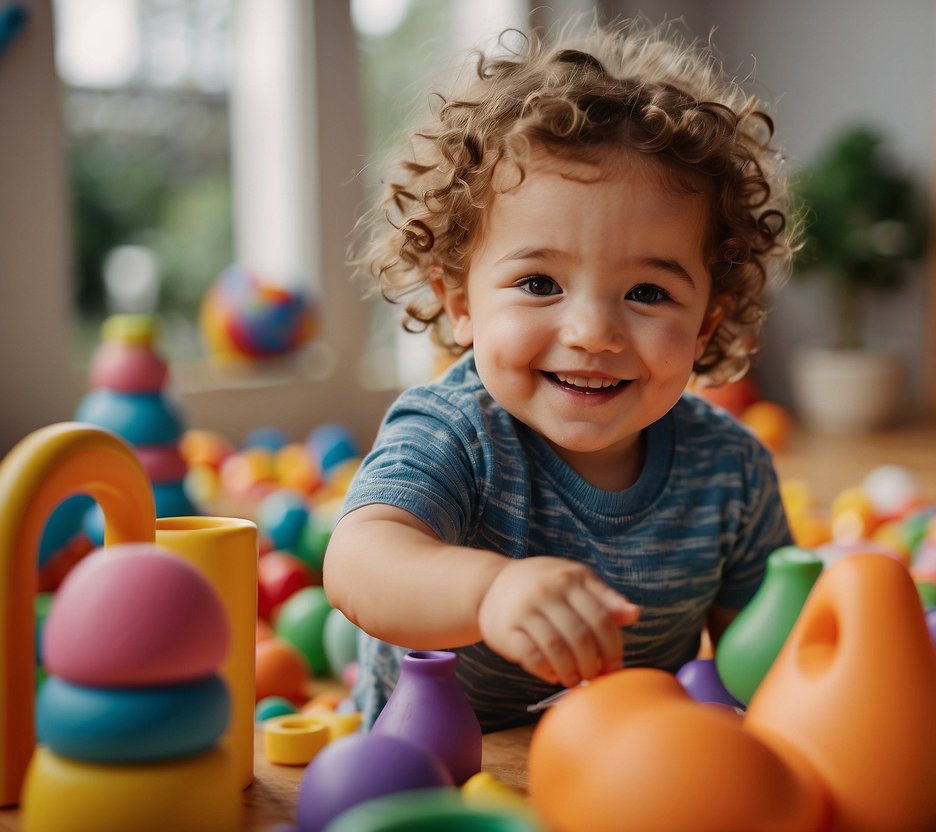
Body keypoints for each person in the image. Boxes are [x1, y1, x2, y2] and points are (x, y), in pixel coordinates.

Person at [324, 16, 795, 732]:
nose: (593, 334)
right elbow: (359, 563)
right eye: (540, 284)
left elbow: (761, 668)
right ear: (460, 304)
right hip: (439, 776)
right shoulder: (454, 433)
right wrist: (489, 592)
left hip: (624, 777)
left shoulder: (730, 473)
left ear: (704, 322)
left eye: (646, 293)